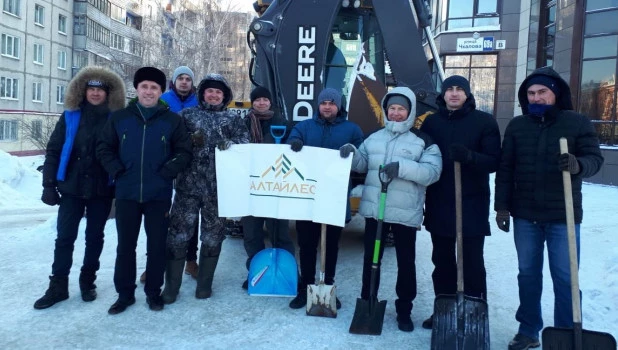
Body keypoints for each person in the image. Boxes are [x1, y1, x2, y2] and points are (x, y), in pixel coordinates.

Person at [494, 67, 604, 350]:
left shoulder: (576, 123)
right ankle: (528, 330)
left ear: (556, 93)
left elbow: (594, 158)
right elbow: (506, 169)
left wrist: (578, 165)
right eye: (531, 93)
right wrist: (502, 207)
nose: (537, 97)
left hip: (562, 216)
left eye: (542, 92)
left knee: (566, 277)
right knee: (528, 274)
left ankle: (566, 332)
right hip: (525, 216)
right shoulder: (518, 126)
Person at [340, 87, 442, 331]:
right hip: (377, 211)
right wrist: (352, 153)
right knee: (371, 259)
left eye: (401, 109)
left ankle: (404, 310)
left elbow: (432, 173)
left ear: (410, 111)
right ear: (386, 110)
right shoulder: (374, 137)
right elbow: (364, 164)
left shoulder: (422, 141)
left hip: (405, 213)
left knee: (406, 262)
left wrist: (402, 167)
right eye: (392, 108)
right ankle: (368, 301)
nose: (396, 113)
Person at [96, 67, 192, 314]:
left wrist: (166, 172)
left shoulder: (172, 121)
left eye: (154, 87)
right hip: (127, 194)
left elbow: (184, 152)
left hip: (158, 195)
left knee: (157, 246)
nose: (149, 91)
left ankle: (153, 292)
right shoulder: (120, 118)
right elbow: (104, 148)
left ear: (161, 92)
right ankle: (125, 294)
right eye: (144, 86)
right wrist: (116, 171)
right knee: (125, 246)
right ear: (137, 89)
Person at [33, 66, 125, 310]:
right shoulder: (70, 116)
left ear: (108, 94)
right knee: (64, 238)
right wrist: (49, 184)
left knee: (94, 237)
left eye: (100, 90)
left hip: (101, 190)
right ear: (83, 91)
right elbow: (54, 150)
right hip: (71, 188)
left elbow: (123, 154)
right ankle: (58, 287)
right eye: (91, 89)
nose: (95, 94)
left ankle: (88, 282)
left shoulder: (115, 120)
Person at [420, 75, 502, 329]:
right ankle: (444, 310)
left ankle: (474, 310)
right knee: (442, 261)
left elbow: (493, 161)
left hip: (472, 203)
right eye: (449, 90)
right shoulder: (431, 124)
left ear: (468, 94)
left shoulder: (484, 122)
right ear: (442, 95)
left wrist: (469, 157)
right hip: (439, 201)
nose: (454, 94)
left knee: (471, 262)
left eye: (459, 89)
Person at [162, 74, 249, 303]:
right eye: (209, 91)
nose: (213, 95)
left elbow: (245, 144)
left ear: (224, 96)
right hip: (187, 188)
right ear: (202, 94)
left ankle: (204, 285)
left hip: (218, 191)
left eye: (218, 92)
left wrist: (232, 145)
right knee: (178, 235)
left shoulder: (232, 120)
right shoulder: (187, 115)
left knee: (213, 237)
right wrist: (189, 140)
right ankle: (171, 287)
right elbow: (170, 140)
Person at [286, 87, 364, 310]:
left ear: (339, 106)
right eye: (323, 103)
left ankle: (328, 285)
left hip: (335, 195)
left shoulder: (351, 129)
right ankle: (305, 287)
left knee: (330, 245)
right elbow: (292, 139)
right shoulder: (304, 127)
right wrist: (295, 145)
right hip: (307, 196)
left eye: (331, 103)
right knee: (307, 244)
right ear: (318, 106)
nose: (327, 107)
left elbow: (361, 153)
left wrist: (354, 151)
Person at [136, 65, 199, 283]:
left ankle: (191, 260)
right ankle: (154, 263)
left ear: (192, 83)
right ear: (173, 82)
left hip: (189, 163)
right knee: (159, 218)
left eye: (188, 79)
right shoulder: (161, 101)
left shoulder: (198, 102)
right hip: (162, 163)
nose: (184, 82)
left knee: (189, 215)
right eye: (180, 78)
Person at [240, 86, 295, 290]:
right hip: (250, 188)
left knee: (279, 233)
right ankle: (256, 270)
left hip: (275, 188)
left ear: (270, 102)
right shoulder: (243, 123)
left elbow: (294, 147)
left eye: (265, 99)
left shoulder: (282, 124)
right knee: (252, 235)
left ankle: (287, 272)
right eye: (257, 100)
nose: (261, 103)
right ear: (252, 102)